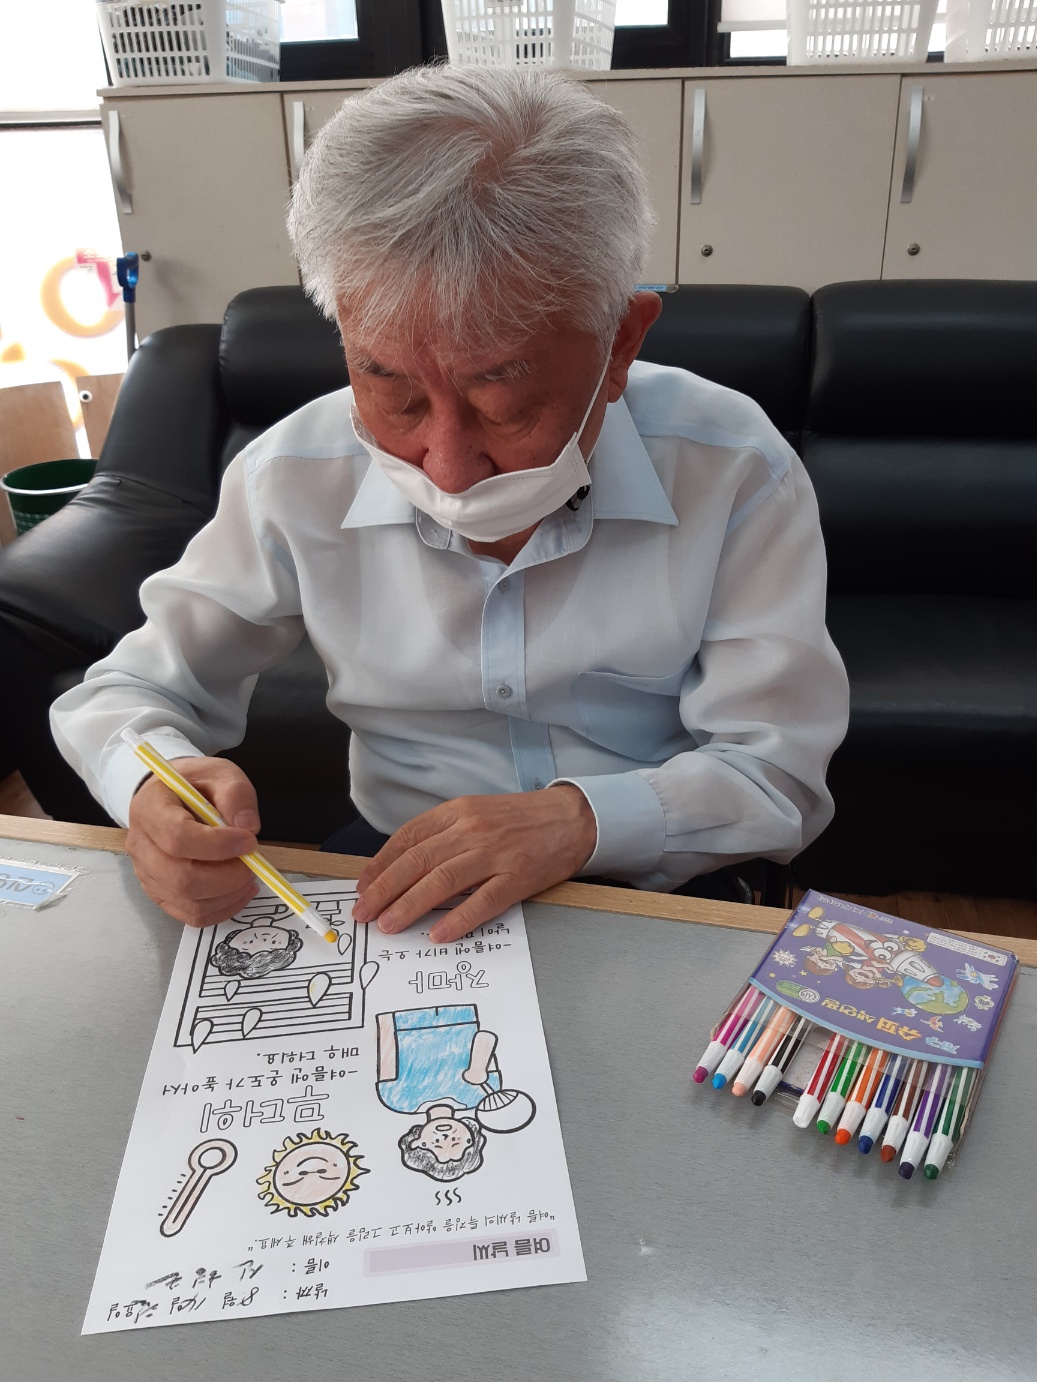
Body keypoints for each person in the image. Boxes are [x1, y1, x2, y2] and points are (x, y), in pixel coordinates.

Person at [50, 65, 849, 945]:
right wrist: (152, 788)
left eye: (504, 404)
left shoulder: (731, 467)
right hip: (403, 863)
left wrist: (580, 821)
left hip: (659, 869)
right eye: (391, 392)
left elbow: (777, 775)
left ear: (620, 343)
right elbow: (126, 692)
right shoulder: (293, 473)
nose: (449, 467)